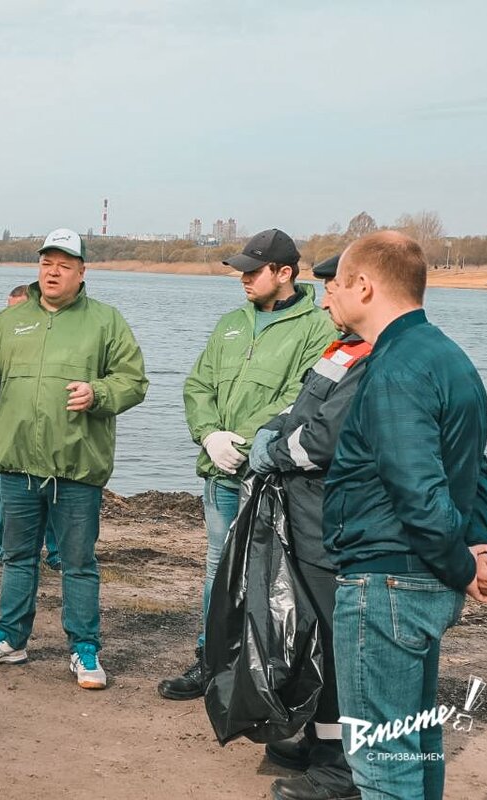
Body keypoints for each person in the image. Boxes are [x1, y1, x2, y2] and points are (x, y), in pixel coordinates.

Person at [322, 231, 487, 799]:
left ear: (364, 285)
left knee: (382, 762)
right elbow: (475, 468)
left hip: (388, 583)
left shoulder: (397, 367)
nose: (327, 293)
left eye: (334, 282)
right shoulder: (448, 356)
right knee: (417, 746)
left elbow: (419, 490)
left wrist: (463, 564)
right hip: (418, 579)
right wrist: (478, 548)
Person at [0, 228, 148, 690]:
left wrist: (98, 392)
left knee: (79, 563)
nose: (53, 271)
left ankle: (85, 648)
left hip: (76, 467)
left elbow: (134, 381)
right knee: (18, 557)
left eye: (65, 264)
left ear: (82, 272)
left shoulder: (106, 322)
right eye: (47, 263)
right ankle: (9, 638)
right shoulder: (9, 321)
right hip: (17, 463)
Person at [162, 228, 335, 701]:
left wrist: (243, 441)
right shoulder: (231, 324)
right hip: (219, 473)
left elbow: (302, 397)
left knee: (271, 573)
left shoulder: (317, 326)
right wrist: (209, 434)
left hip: (270, 477)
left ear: (284, 273)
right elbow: (198, 384)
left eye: (252, 271)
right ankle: (211, 661)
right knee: (219, 569)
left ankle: (266, 673)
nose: (243, 278)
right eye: (240, 270)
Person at [246, 255, 368, 800]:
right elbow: (301, 411)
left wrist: (269, 452)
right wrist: (268, 433)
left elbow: (321, 439)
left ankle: (344, 768)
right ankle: (321, 747)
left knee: (343, 651)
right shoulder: (341, 348)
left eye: (332, 288)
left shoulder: (374, 357)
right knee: (317, 637)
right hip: (307, 519)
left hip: (332, 524)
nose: (323, 301)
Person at [0, 284, 61, 571]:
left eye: (16, 309)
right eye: (7, 309)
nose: (10, 316)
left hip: (49, 433)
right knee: (0, 493)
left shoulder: (51, 343)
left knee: (53, 493)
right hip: (7, 432)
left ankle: (56, 554)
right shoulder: (0, 341)